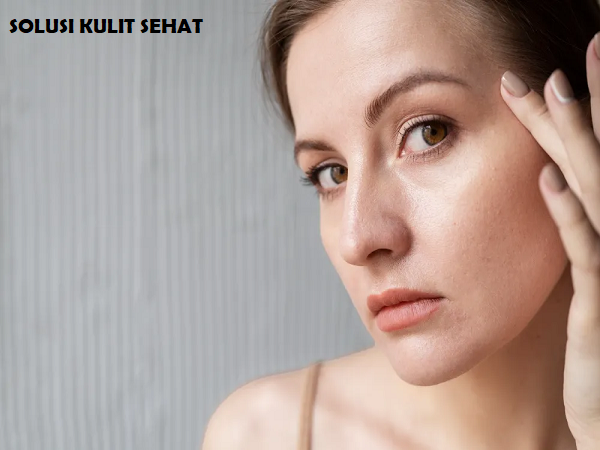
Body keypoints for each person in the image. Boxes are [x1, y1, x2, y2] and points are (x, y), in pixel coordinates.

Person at [203, 0, 600, 448]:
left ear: (585, 124)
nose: (357, 240)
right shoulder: (262, 435)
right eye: (332, 173)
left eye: (428, 132)